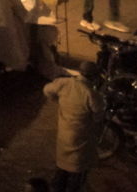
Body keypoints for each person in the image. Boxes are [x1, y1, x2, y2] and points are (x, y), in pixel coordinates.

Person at [42, 62, 103, 192]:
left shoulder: (64, 83)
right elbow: (98, 117)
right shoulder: (91, 94)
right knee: (76, 172)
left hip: (64, 134)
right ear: (94, 76)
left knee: (62, 167)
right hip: (81, 139)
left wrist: (57, 101)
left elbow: (47, 90)